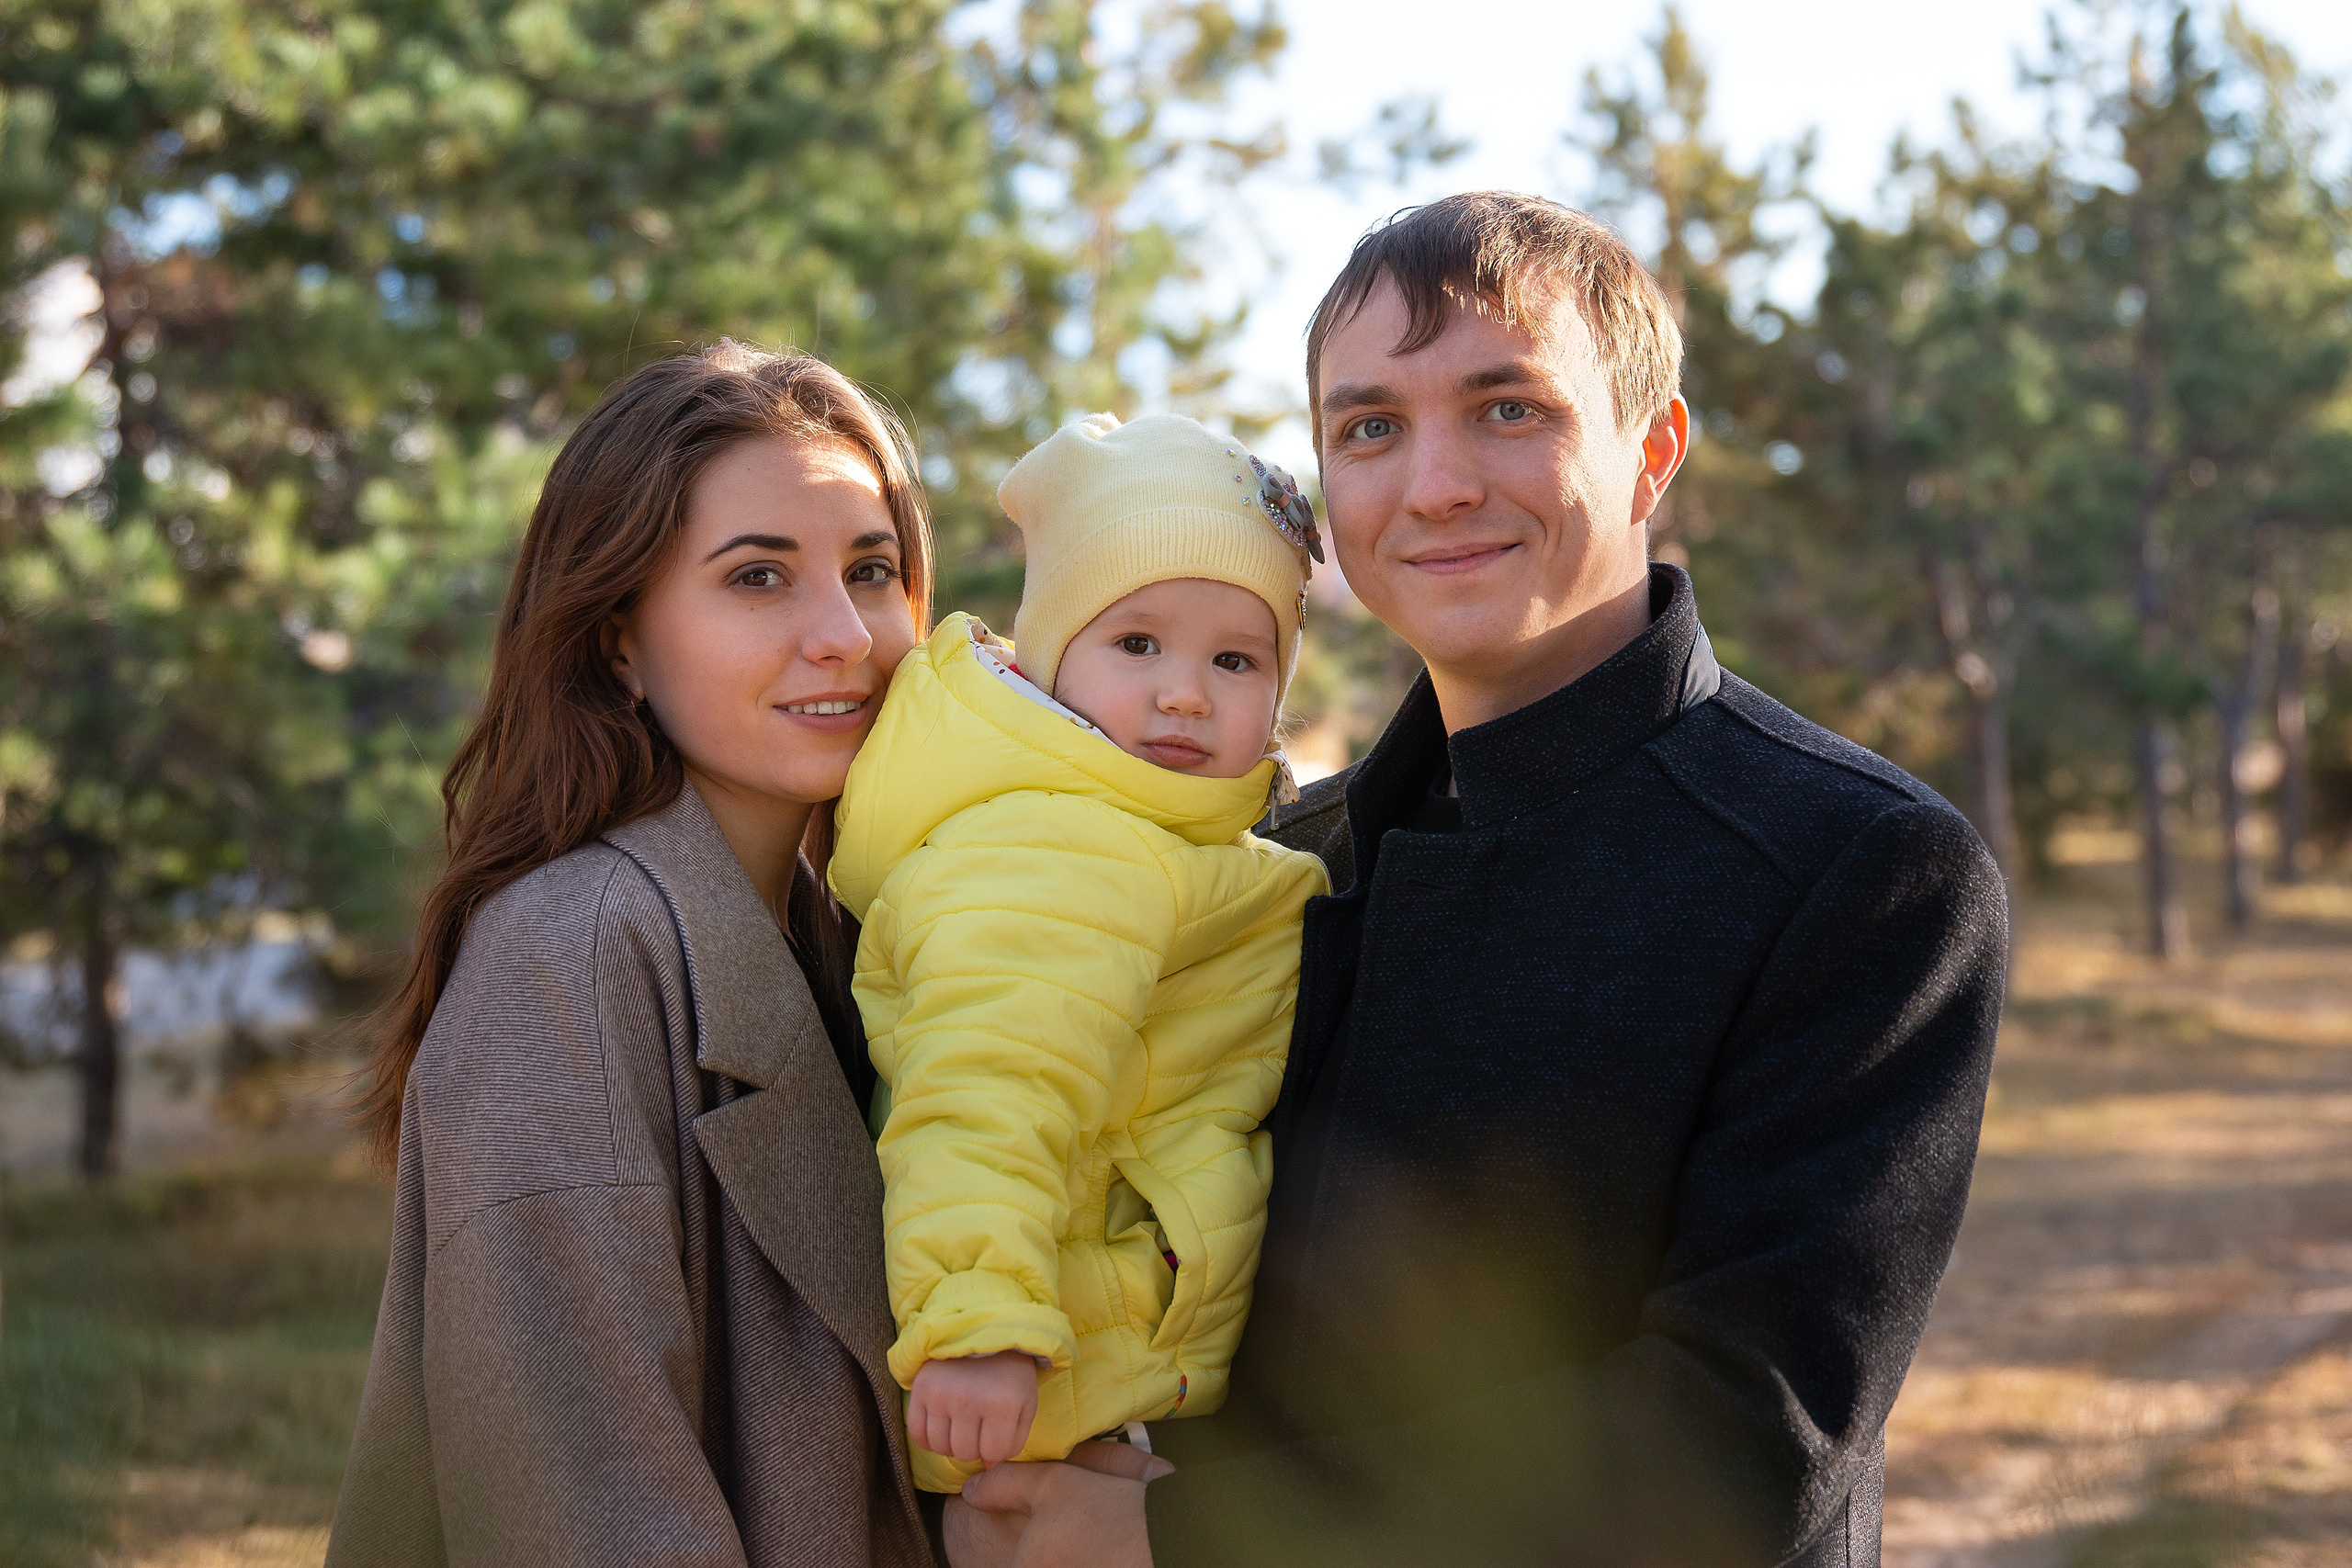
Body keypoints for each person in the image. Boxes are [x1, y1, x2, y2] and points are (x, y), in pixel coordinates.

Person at [947, 193, 2007, 1568]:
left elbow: (1738, 1441)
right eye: (1369, 426)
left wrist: (1177, 1528)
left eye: (1509, 407)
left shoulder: (1858, 865)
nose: (1434, 482)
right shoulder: (1272, 861)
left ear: (1653, 449)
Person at [327, 343, 939, 1567]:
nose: (846, 634)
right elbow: (586, 1506)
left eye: (872, 570)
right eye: (759, 576)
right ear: (618, 641)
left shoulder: (859, 933)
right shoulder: (574, 950)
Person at [826, 412, 1328, 1494]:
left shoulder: (1152, 839)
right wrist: (980, 1322)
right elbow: (988, 1086)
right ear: (1049, 658)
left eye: (1235, 659)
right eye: (1136, 643)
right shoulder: (1055, 848)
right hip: (1036, 1388)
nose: (1186, 692)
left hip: (1100, 1376)